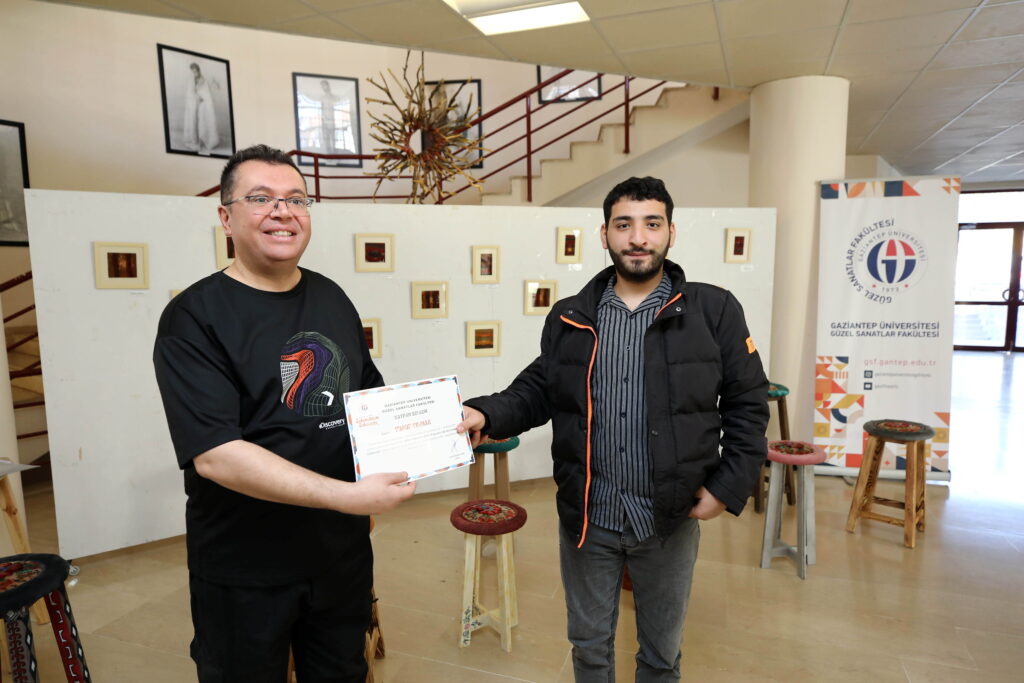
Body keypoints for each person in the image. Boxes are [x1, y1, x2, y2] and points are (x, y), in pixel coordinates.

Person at [458, 176, 768, 682]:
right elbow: (539, 388)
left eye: (652, 224)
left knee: (661, 656)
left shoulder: (714, 311)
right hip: (589, 516)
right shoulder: (571, 316)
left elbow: (748, 404)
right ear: (604, 234)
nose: (638, 238)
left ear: (671, 233)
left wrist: (727, 487)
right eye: (624, 225)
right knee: (589, 649)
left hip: (667, 517)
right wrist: (485, 414)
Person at [153, 144, 415, 682]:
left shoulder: (331, 296)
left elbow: (367, 396)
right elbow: (217, 455)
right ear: (226, 217)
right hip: (246, 568)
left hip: (339, 557)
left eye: (296, 199)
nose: (283, 211)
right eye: (261, 198)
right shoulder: (193, 318)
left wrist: (437, 429)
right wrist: (349, 497)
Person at [183, 62, 219, 154]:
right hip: (194, 103)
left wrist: (202, 98)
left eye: (196, 71)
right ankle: (195, 141)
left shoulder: (203, 80)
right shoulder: (191, 80)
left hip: (202, 104)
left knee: (202, 121)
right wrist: (195, 98)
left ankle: (203, 140)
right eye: (193, 71)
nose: (195, 73)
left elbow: (206, 92)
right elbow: (190, 93)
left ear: (199, 70)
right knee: (193, 121)